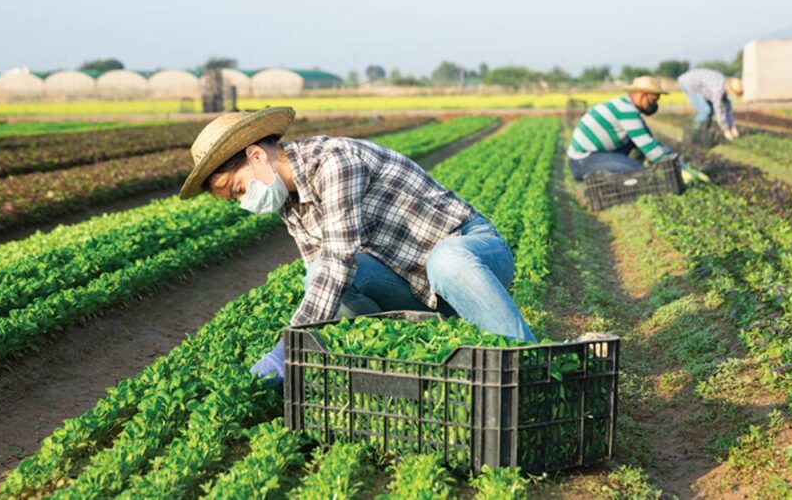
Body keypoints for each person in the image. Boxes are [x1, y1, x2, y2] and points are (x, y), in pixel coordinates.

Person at [178, 107, 537, 383]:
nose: (245, 202)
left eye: (239, 189)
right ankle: (403, 362)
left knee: (444, 260)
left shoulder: (334, 161)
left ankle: (527, 363)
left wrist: (287, 348)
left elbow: (339, 259)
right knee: (317, 275)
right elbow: (323, 276)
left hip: (472, 258)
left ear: (256, 156)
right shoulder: (289, 202)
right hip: (414, 288)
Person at [567, 76, 677, 181]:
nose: (655, 105)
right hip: (582, 161)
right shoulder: (626, 111)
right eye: (653, 100)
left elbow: (650, 140)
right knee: (641, 173)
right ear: (642, 95)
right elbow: (649, 148)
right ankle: (631, 167)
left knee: (637, 146)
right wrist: (676, 168)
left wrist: (672, 158)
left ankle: (629, 164)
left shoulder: (626, 105)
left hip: (596, 154)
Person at [677, 68, 743, 141]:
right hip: (688, 83)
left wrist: (732, 126)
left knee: (710, 110)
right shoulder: (718, 90)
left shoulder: (724, 84)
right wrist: (726, 130)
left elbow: (728, 108)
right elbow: (719, 110)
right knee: (705, 110)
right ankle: (693, 134)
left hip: (701, 86)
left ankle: (704, 133)